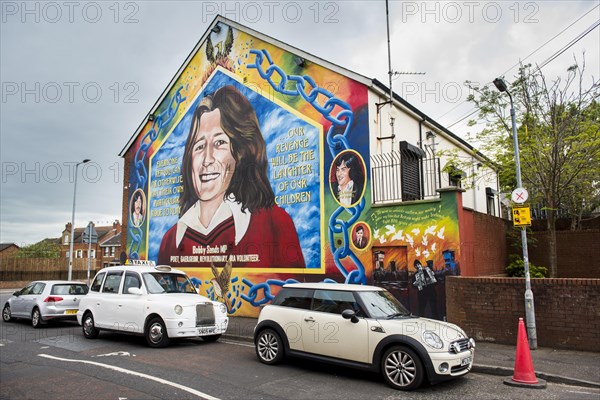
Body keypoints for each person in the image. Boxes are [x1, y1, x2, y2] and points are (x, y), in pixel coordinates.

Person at [158, 85, 305, 268]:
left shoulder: (275, 224)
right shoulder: (171, 241)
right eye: (199, 146)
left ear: (240, 153)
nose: (207, 159)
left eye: (219, 142)